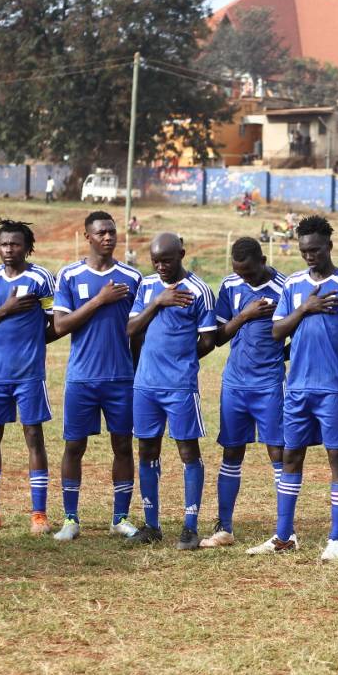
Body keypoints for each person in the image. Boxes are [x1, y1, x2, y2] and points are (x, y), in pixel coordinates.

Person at [267, 215, 338, 559]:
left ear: (329, 247)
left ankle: (336, 539)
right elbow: (277, 331)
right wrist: (306, 308)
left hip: (331, 387)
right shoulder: (293, 285)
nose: (309, 256)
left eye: (316, 250)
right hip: (296, 388)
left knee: (335, 456)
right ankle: (283, 536)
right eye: (304, 250)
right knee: (291, 456)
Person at [51, 211, 143, 541]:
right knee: (74, 446)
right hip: (81, 379)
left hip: (120, 379)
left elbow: (139, 330)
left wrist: (133, 368)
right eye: (101, 232)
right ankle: (71, 519)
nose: (108, 237)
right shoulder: (70, 276)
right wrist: (100, 300)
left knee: (122, 445)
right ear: (87, 236)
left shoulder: (132, 277)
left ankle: (120, 518)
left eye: (112, 232)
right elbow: (60, 325)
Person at [0, 219, 57, 534]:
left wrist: (33, 342)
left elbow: (56, 324)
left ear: (27, 247)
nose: (9, 249)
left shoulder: (41, 278)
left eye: (15, 244)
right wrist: (7, 309)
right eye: (4, 244)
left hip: (29, 375)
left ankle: (39, 515)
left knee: (34, 436)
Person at [125, 232, 217, 549]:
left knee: (187, 451)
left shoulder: (200, 290)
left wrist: (182, 360)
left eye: (166, 260)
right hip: (145, 384)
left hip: (179, 386)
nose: (161, 266)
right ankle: (152, 525)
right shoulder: (148, 287)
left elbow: (208, 340)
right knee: (147, 450)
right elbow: (130, 329)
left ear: (181, 254)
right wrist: (157, 302)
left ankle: (190, 527)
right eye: (155, 261)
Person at [199, 238, 286, 549]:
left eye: (249, 271)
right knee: (232, 451)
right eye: (239, 272)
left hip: (270, 384)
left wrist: (280, 355)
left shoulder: (284, 287)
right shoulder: (231, 286)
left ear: (263, 259)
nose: (245, 277)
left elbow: (297, 333)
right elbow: (218, 337)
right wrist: (246, 315)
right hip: (235, 383)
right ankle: (224, 527)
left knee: (278, 453)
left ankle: (284, 531)